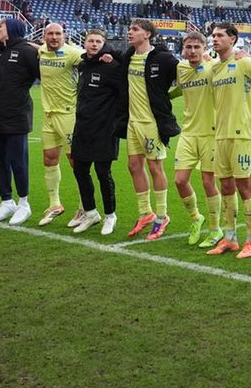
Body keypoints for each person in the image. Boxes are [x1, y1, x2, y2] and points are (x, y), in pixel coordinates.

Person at [205, 22, 251, 258]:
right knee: (226, 187)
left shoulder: (245, 62)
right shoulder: (214, 69)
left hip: (242, 136)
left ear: (233, 39)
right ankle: (230, 238)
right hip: (220, 135)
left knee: (245, 187)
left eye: (220, 35)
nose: (215, 39)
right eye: (213, 36)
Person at [119, 19, 180, 240]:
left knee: (155, 167)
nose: (130, 32)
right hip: (132, 123)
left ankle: (162, 215)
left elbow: (185, 77)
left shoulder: (163, 59)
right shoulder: (128, 56)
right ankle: (145, 212)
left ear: (147, 34)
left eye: (135, 29)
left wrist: (167, 97)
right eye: (130, 29)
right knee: (134, 165)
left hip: (152, 124)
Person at [70, 29, 126, 235]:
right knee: (80, 171)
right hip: (83, 128)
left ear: (104, 44)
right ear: (85, 43)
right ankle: (91, 213)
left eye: (98, 41)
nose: (94, 44)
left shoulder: (111, 66)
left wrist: (116, 123)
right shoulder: (83, 65)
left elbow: (122, 96)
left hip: (104, 130)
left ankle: (110, 216)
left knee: (103, 173)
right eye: (90, 41)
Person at [0, 18, 40, 225]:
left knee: (18, 160)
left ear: (13, 30)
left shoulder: (26, 51)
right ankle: (6, 201)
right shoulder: (2, 50)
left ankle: (24, 204)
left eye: (1, 27)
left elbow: (44, 73)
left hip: (17, 115)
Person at [174, 31, 223, 247]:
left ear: (205, 49)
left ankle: (215, 229)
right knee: (180, 180)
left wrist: (241, 56)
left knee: (207, 181)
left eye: (197, 47)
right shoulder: (180, 68)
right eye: (189, 47)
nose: (192, 51)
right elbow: (176, 90)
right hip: (188, 132)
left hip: (211, 133)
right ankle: (196, 218)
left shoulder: (214, 67)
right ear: (183, 49)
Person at [36, 22, 84, 226]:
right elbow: (32, 47)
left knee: (76, 161)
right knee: (49, 158)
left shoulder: (73, 53)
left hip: (68, 114)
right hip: (48, 115)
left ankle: (84, 207)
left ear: (64, 35)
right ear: (44, 36)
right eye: (50, 34)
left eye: (58, 34)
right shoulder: (41, 51)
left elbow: (91, 55)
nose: (54, 37)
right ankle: (55, 204)